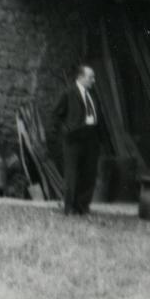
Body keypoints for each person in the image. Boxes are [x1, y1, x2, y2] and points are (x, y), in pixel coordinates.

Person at [51, 64, 103, 215]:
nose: (93, 80)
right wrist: (66, 131)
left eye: (93, 77)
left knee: (89, 173)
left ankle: (82, 207)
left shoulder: (92, 95)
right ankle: (70, 208)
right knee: (72, 174)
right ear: (80, 77)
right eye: (90, 77)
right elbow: (55, 115)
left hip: (91, 138)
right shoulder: (68, 93)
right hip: (73, 139)